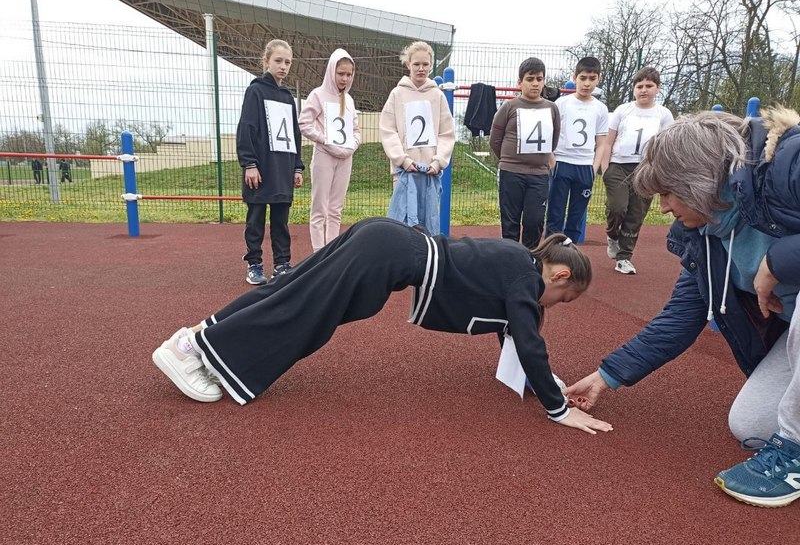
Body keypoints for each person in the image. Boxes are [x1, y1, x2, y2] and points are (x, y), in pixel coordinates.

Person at [151, 217, 612, 435]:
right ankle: (196, 352)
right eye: (562, 299)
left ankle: (197, 336)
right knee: (303, 314)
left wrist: (547, 382)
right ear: (559, 275)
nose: (552, 304)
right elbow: (528, 339)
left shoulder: (518, 262)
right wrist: (557, 410)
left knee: (291, 290)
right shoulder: (523, 277)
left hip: (383, 240)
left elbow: (515, 335)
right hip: (386, 254)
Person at [565, 108, 800, 507]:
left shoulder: (789, 164)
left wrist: (779, 262)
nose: (664, 208)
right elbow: (680, 317)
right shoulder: (705, 231)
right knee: (749, 424)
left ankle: (792, 458)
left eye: (668, 193)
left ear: (701, 182)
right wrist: (606, 376)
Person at [237, 38, 305, 285]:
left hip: (283, 169)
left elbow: (294, 134)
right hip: (260, 168)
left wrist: (297, 166)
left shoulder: (287, 97)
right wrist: (249, 164)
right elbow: (246, 129)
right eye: (278, 60)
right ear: (266, 61)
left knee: (281, 221)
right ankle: (254, 264)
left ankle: (282, 264)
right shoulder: (255, 91)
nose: (283, 66)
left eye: (288, 62)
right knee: (255, 219)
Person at [600, 67, 673, 274]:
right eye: (639, 86)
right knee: (618, 207)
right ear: (633, 89)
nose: (644, 90)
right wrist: (606, 169)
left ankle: (624, 257)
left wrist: (660, 172)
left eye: (649, 86)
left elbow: (667, 146)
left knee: (635, 214)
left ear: (657, 89)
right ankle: (612, 235)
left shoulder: (664, 114)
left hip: (646, 169)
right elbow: (608, 142)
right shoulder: (623, 111)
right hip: (618, 166)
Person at [380, 41, 455, 235]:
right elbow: (388, 130)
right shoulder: (397, 94)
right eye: (416, 64)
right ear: (408, 65)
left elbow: (446, 133)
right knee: (402, 224)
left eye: (425, 64)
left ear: (431, 65)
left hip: (430, 172)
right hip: (404, 171)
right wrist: (402, 160)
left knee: (428, 224)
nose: (421, 69)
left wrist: (438, 162)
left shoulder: (437, 96)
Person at [490, 57, 561, 249]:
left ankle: (530, 259)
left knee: (534, 221)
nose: (535, 83)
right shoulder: (509, 107)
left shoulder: (552, 108)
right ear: (520, 82)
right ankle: (509, 261)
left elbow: (553, 141)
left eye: (539, 78)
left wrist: (540, 160)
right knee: (510, 221)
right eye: (530, 79)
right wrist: (509, 160)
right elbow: (495, 140)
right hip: (511, 173)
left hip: (538, 174)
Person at [298, 49, 361, 252]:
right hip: (324, 156)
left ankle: (331, 251)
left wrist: (353, 145)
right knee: (320, 208)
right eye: (340, 73)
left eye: (348, 74)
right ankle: (318, 253)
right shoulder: (318, 95)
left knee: (336, 209)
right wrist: (325, 140)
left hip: (345, 158)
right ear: (331, 71)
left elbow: (356, 130)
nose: (344, 78)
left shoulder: (349, 100)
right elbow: (304, 123)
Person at [546, 57, 609, 242]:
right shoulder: (561, 103)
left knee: (576, 216)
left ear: (598, 79)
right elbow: (549, 135)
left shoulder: (600, 109)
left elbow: (602, 142)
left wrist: (593, 167)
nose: (587, 83)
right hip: (562, 163)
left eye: (591, 78)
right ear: (574, 78)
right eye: (583, 78)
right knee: (555, 214)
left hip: (584, 167)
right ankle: (551, 254)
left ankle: (571, 257)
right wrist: (553, 163)